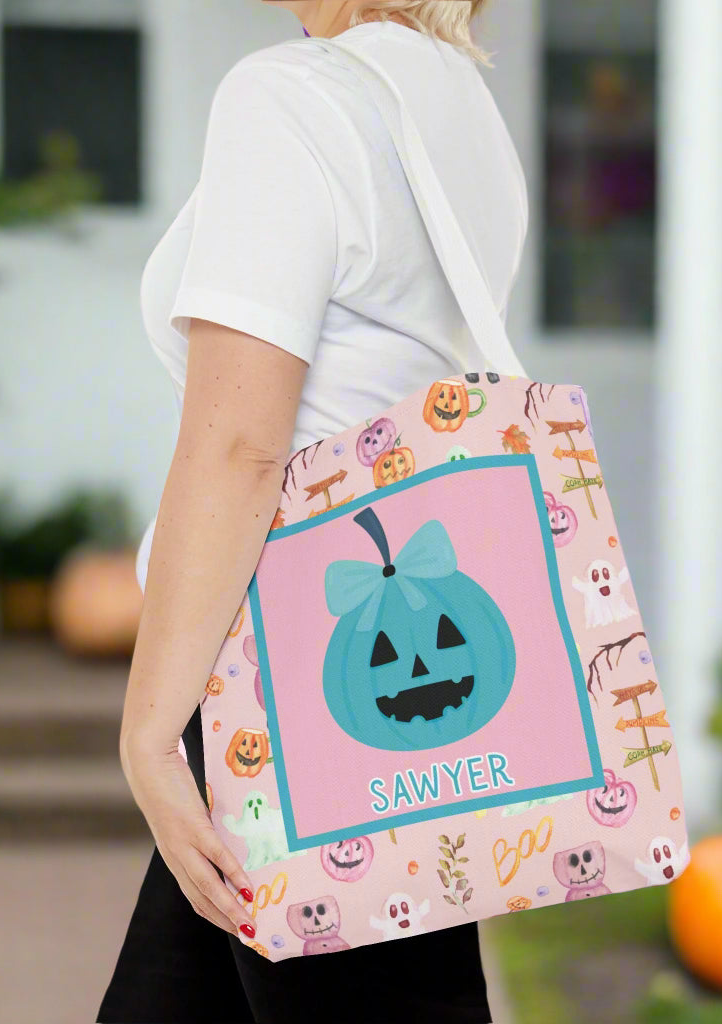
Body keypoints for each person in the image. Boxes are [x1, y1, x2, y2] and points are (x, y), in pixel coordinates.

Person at [97, 1, 527, 1021]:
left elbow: (241, 444)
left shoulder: (288, 96)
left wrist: (150, 729)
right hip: (372, 701)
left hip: (285, 702)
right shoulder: (457, 107)